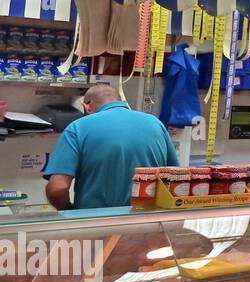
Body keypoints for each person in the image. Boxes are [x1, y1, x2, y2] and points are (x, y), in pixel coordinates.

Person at [43, 84, 179, 211]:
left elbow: (57, 188)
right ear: (124, 103)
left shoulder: (77, 128)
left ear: (87, 107)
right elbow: (176, 178)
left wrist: (69, 211)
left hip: (96, 224)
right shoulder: (155, 124)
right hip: (146, 221)